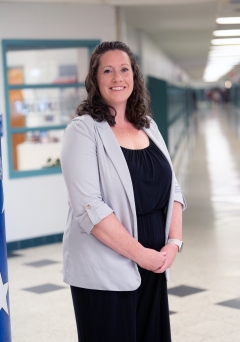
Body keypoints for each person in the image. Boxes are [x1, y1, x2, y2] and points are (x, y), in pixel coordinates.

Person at [61, 41, 186, 342]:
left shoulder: (149, 126)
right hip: (105, 270)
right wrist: (141, 254)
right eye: (108, 71)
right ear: (95, 79)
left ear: (134, 76)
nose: (118, 78)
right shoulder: (83, 130)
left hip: (154, 266)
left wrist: (174, 242)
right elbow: (89, 208)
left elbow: (173, 188)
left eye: (124, 69)